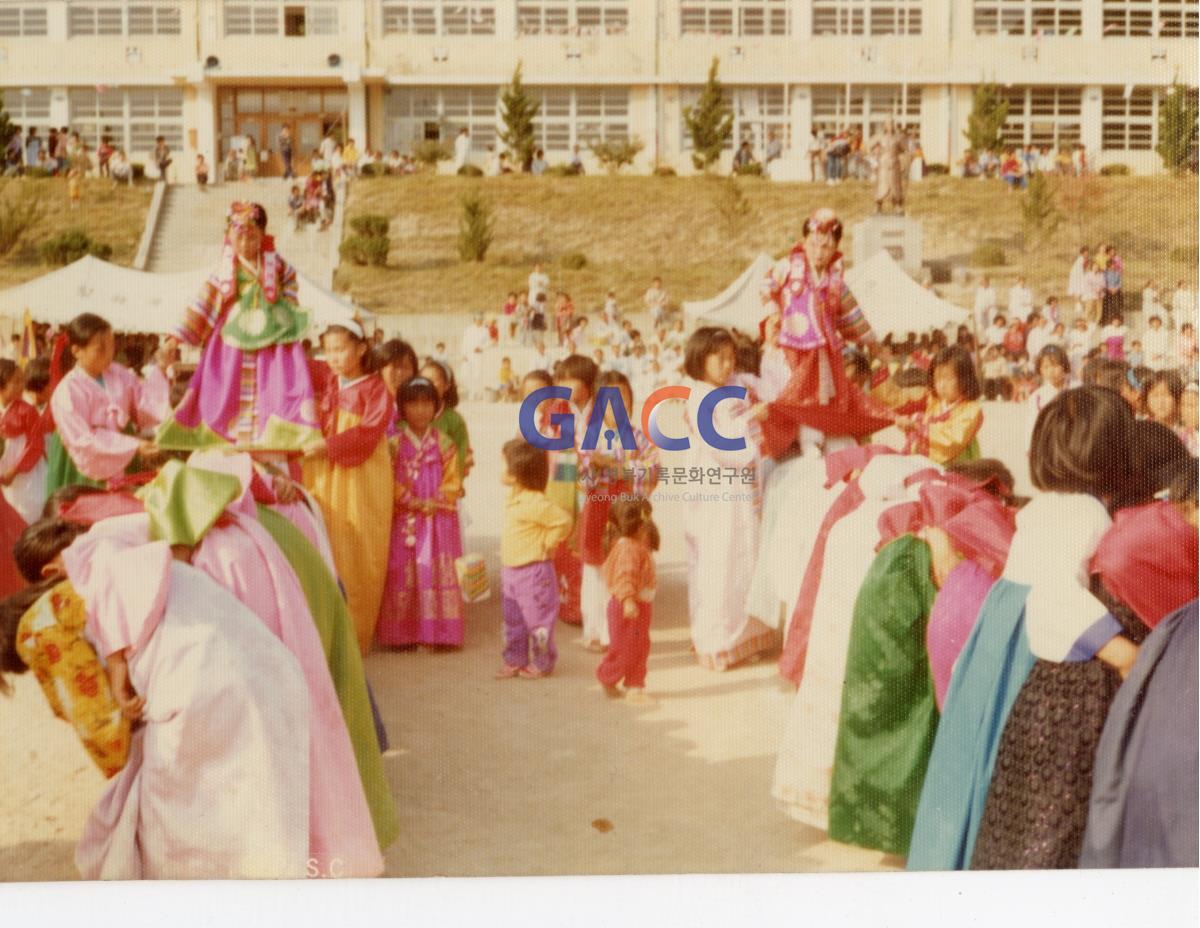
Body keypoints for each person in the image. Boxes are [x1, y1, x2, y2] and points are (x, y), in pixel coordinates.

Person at [155, 202, 322, 452]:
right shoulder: (224, 270)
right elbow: (203, 302)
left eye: (252, 237)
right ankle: (220, 435)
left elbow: (290, 283)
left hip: (273, 337)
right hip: (231, 338)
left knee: (278, 382)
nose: (245, 244)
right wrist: (175, 339)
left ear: (263, 235)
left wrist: (286, 305)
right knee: (223, 385)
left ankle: (282, 432)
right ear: (229, 237)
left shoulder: (275, 263)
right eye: (238, 237)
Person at [755, 207, 893, 459]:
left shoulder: (836, 282)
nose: (819, 253)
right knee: (791, 397)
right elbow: (766, 288)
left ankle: (821, 437)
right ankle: (800, 440)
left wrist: (874, 346)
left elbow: (854, 317)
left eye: (826, 247)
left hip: (824, 354)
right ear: (804, 242)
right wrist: (773, 313)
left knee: (823, 398)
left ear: (835, 249)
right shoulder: (787, 267)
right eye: (814, 245)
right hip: (789, 351)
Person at [681, 327, 774, 670]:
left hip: (739, 493)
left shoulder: (732, 391)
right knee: (719, 565)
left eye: (730, 357)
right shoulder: (699, 398)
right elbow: (723, 447)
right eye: (718, 358)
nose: (726, 363)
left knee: (744, 559)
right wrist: (752, 418)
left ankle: (745, 638)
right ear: (699, 359)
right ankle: (716, 643)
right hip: (717, 495)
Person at [301, 321, 394, 655]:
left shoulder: (374, 388)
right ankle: (322, 632)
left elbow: (368, 434)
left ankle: (354, 638)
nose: (334, 357)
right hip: (325, 470)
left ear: (361, 348)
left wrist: (328, 447)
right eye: (328, 350)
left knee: (357, 549)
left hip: (360, 475)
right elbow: (295, 362)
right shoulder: (328, 377)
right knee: (322, 543)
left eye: (340, 349)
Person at [376, 377, 464, 648]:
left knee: (438, 571)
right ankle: (402, 634)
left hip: (437, 519)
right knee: (403, 571)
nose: (420, 410)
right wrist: (408, 499)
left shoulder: (445, 443)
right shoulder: (392, 444)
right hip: (405, 518)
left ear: (436, 407)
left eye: (427, 403)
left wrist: (434, 501)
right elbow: (385, 478)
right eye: (412, 404)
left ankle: (441, 633)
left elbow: (453, 481)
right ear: (402, 408)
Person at [577, 370, 659, 652]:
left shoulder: (639, 437)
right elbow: (579, 478)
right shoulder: (590, 438)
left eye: (623, 397)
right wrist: (593, 466)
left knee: (627, 570)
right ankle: (596, 631)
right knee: (596, 573)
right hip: (598, 513)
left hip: (628, 517)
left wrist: (619, 469)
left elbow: (654, 469)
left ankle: (621, 631)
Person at [45, 314, 161, 497]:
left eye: (112, 345)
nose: (109, 353)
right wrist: (132, 445)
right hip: (88, 457)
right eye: (101, 348)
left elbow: (144, 405)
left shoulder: (120, 373)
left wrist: (161, 368)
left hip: (125, 448)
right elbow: (83, 440)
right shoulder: (67, 390)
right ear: (76, 351)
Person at [497, 438, 574, 679]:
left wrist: (548, 542)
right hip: (511, 572)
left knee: (538, 621)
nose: (501, 470)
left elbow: (563, 521)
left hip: (533, 573)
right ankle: (515, 658)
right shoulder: (515, 496)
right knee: (513, 621)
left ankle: (542, 662)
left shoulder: (534, 501)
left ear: (519, 472)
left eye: (504, 465)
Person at [595, 498, 659, 704]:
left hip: (639, 605)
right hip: (628, 606)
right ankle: (608, 676)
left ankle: (635, 685)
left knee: (640, 646)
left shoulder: (635, 545)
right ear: (638, 526)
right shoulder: (627, 549)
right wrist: (628, 601)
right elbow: (625, 577)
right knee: (625, 648)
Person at [895, 346, 984, 466]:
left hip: (959, 460)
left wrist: (917, 427)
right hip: (932, 458)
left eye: (947, 379)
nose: (942, 385)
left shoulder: (972, 409)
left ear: (964, 379)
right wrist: (908, 423)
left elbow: (953, 439)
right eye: (937, 379)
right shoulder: (934, 401)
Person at [0, 361, 46, 525]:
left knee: (29, 508)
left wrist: (13, 471)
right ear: (2, 385)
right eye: (16, 381)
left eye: (22, 380)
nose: (22, 385)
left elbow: (36, 444)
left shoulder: (28, 411)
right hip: (4, 469)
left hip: (27, 470)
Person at [420, 359, 474, 490]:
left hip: (444, 488)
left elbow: (461, 455)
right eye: (423, 379)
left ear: (446, 385)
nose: (428, 385)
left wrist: (451, 485)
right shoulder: (406, 416)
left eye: (434, 380)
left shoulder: (454, 420)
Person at [1023, 344, 1070, 454]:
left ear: (1064, 366)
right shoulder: (1037, 396)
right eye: (1046, 367)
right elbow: (1032, 422)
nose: (1051, 371)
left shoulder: (1076, 389)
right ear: (1040, 371)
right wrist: (1029, 447)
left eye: (1055, 366)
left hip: (1072, 442)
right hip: (1049, 445)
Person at [871, 119, 907, 213]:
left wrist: (904, 162)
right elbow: (868, 147)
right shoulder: (879, 137)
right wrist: (873, 160)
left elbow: (905, 151)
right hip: (883, 164)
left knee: (895, 185)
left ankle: (897, 205)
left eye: (891, 123)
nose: (890, 126)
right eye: (888, 124)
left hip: (895, 164)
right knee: (882, 184)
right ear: (885, 126)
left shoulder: (898, 138)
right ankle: (878, 205)